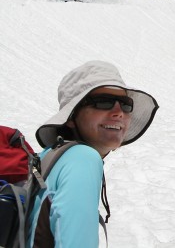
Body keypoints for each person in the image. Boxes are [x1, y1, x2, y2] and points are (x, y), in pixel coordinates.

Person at [27, 60, 159, 248]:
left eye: (125, 104)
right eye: (103, 102)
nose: (118, 112)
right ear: (72, 117)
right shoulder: (83, 158)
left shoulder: (53, 156)